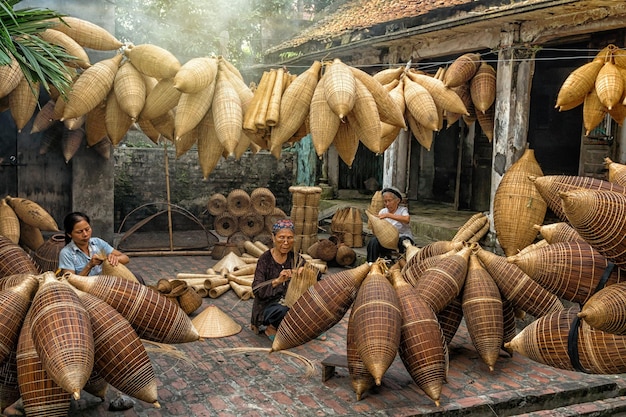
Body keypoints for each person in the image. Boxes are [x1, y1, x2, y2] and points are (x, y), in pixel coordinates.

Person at [251, 219, 297, 340]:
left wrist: (303, 272)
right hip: (268, 307)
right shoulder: (265, 259)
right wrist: (278, 281)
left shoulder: (295, 258)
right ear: (273, 237)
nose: (286, 242)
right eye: (282, 237)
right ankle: (270, 327)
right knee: (284, 310)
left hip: (291, 302)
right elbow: (257, 290)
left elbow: (317, 275)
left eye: (290, 238)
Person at [58, 211, 130, 276]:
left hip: (105, 282)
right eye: (79, 232)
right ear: (69, 234)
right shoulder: (66, 253)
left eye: (87, 229)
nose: (85, 234)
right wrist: (89, 266)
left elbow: (126, 258)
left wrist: (114, 259)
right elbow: (71, 282)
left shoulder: (97, 243)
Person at [366, 186, 415, 263]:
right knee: (373, 241)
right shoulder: (382, 211)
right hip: (386, 242)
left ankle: (404, 265)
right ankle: (371, 264)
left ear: (397, 200)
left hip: (401, 237)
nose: (387, 204)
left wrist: (388, 215)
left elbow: (406, 219)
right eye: (385, 201)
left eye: (389, 201)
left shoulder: (402, 210)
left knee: (404, 241)